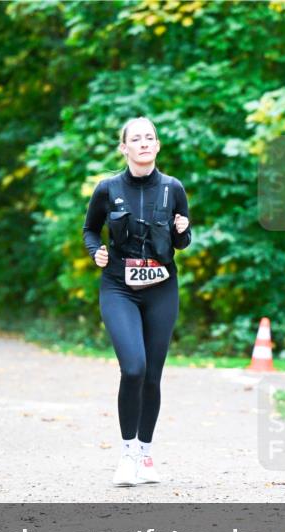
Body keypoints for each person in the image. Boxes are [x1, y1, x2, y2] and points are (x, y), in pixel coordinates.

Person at [82, 116, 191, 486]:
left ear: (157, 146)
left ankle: (145, 454)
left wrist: (183, 230)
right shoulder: (107, 188)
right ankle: (127, 453)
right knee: (133, 367)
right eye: (136, 139)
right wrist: (96, 250)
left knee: (153, 374)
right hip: (119, 286)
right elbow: (89, 230)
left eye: (150, 138)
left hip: (161, 286)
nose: (144, 143)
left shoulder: (172, 188)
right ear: (124, 148)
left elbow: (181, 242)